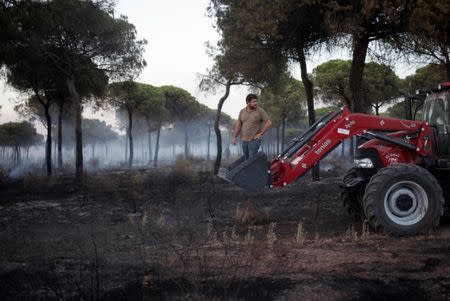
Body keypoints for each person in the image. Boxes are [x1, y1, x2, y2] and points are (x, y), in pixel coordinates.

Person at [231, 93, 272, 159]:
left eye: (256, 101)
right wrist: (234, 137)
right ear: (248, 102)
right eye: (254, 102)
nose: (256, 103)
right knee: (246, 159)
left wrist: (261, 134)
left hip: (254, 141)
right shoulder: (242, 112)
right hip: (244, 141)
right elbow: (238, 125)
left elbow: (269, 122)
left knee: (251, 160)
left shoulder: (260, 111)